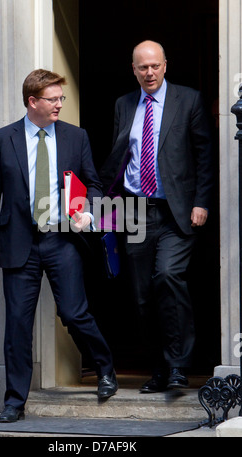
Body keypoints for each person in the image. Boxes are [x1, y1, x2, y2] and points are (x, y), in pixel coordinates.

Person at [0, 69, 118, 423]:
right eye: (52, 99)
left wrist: (87, 211)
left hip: (62, 239)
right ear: (32, 102)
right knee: (18, 324)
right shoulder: (2, 138)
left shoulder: (75, 136)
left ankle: (105, 369)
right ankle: (14, 401)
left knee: (74, 312)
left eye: (61, 99)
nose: (59, 105)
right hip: (18, 242)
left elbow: (95, 185)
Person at [100, 41, 213, 392]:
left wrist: (202, 201)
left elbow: (205, 155)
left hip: (176, 210)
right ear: (133, 69)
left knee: (167, 276)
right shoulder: (124, 104)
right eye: (142, 67)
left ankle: (179, 366)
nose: (149, 73)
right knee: (142, 294)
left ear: (166, 65)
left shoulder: (188, 99)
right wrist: (100, 200)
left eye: (154, 66)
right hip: (135, 210)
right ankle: (160, 368)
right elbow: (120, 155)